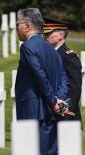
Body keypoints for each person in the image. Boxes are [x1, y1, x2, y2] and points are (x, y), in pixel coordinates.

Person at [15, 8, 69, 155]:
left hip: (34, 109)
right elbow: (64, 77)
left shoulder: (27, 47)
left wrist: (53, 101)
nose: (16, 28)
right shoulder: (52, 49)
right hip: (51, 111)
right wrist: (60, 100)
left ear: (27, 26)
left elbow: (39, 75)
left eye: (17, 24)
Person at [42, 17, 82, 122]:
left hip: (64, 114)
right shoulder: (47, 54)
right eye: (44, 33)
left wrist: (64, 109)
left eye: (49, 33)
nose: (45, 36)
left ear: (60, 35)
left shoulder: (69, 56)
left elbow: (74, 88)